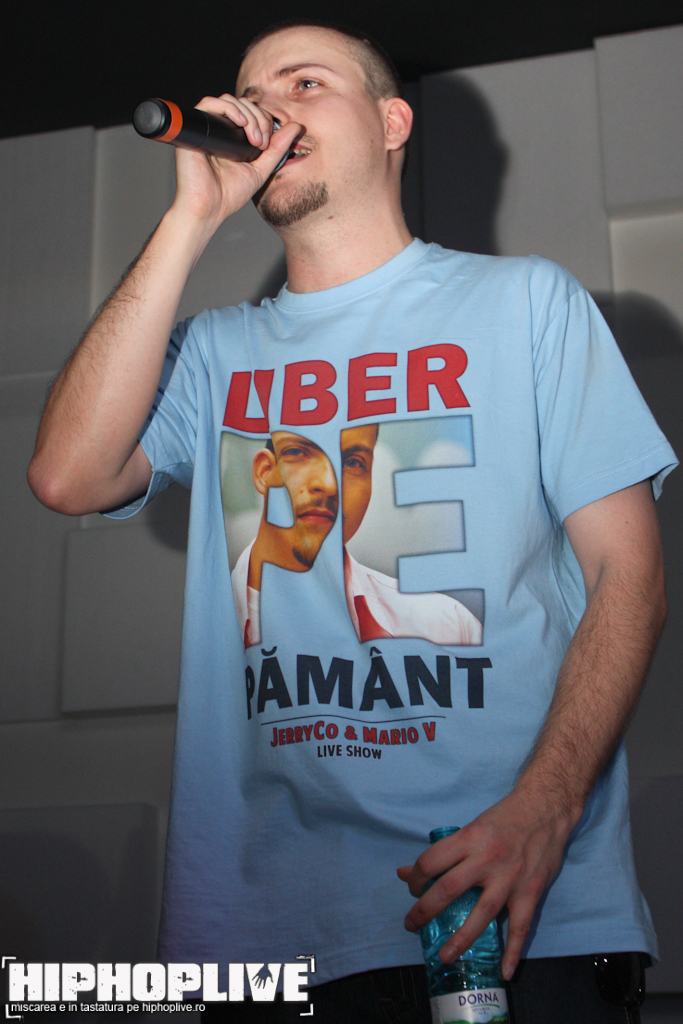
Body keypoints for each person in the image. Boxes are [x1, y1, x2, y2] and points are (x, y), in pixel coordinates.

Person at [27, 18, 676, 1024]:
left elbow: (627, 578)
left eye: (304, 82)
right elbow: (68, 476)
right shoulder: (212, 353)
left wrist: (546, 806)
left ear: (391, 122)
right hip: (262, 935)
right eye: (250, 92)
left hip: (510, 901)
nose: (265, 107)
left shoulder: (525, 303)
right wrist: (190, 218)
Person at [231, 425, 482, 646]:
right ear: (265, 471)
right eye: (299, 453)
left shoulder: (448, 629)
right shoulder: (211, 620)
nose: (329, 485)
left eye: (353, 463)